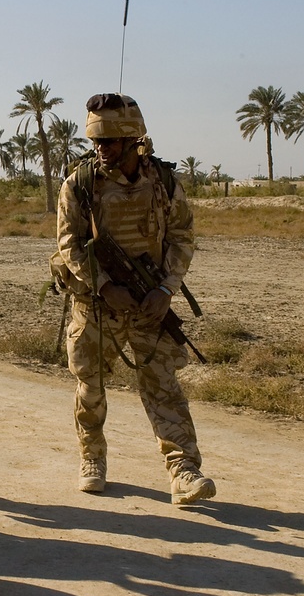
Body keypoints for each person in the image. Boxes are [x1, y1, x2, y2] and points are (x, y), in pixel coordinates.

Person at [56, 93, 216, 504]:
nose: (100, 149)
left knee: (163, 387)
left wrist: (165, 290)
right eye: (96, 141)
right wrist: (106, 286)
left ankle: (184, 470)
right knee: (90, 387)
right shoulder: (80, 184)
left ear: (133, 141)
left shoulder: (163, 183)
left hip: (149, 305)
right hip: (96, 306)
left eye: (109, 141)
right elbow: (70, 244)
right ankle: (92, 457)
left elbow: (183, 237)